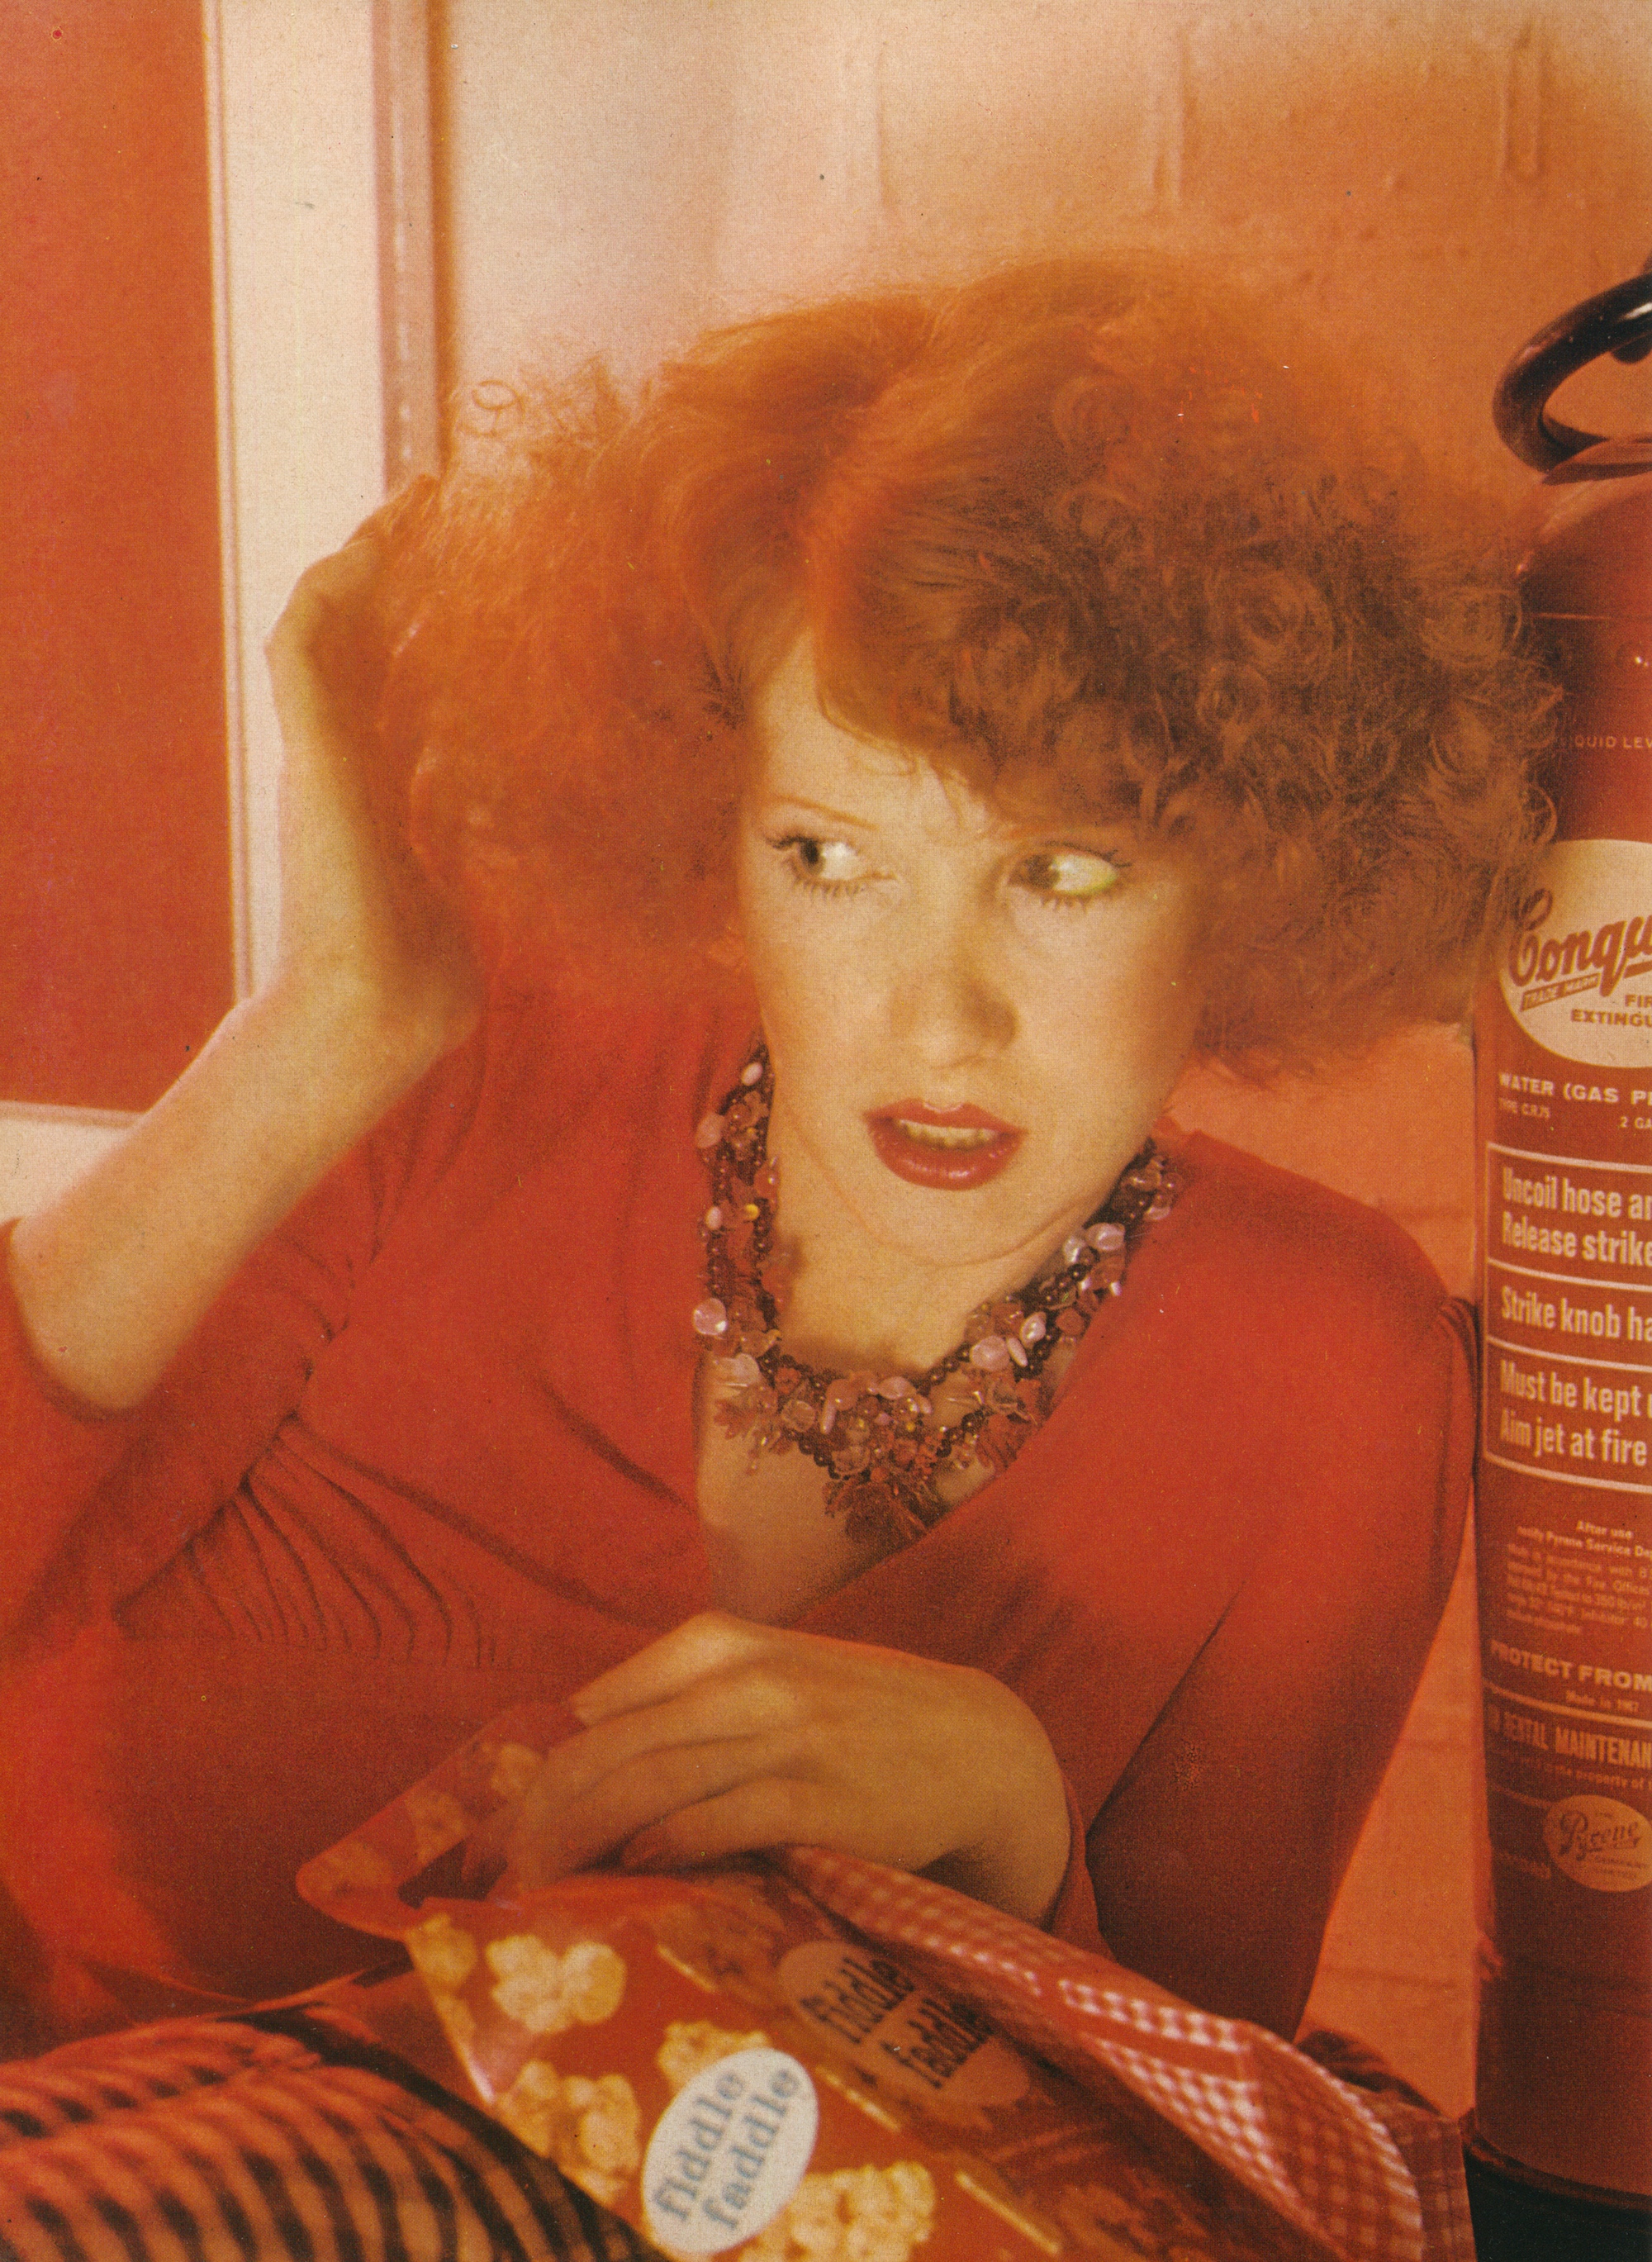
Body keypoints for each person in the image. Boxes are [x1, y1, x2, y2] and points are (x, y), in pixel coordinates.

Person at [0, 257, 1551, 2060]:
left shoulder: (1331, 1371)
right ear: (718, 831)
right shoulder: (456, 1078)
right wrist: (331, 1025)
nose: (936, 1018)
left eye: (1061, 871)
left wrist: (1018, 1830)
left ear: (1256, 864)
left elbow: (1212, 2161)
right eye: (828, 856)